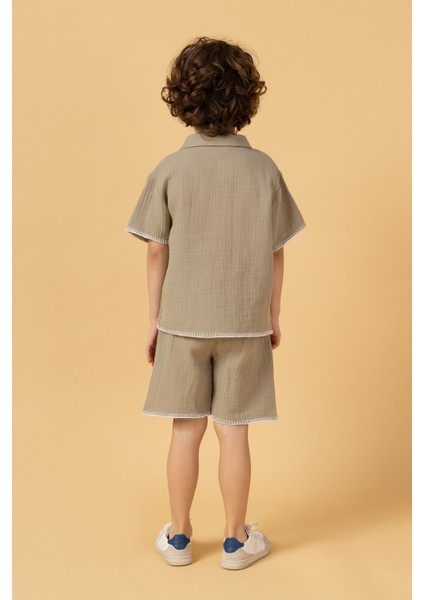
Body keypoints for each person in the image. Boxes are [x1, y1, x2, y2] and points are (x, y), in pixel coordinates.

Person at [124, 36, 306, 569]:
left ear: (182, 98)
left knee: (186, 429)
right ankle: (234, 540)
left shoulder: (169, 170)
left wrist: (155, 320)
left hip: (182, 321)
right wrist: (272, 315)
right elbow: (275, 250)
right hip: (245, 323)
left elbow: (156, 249)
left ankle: (180, 537)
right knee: (233, 431)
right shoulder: (264, 170)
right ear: (247, 98)